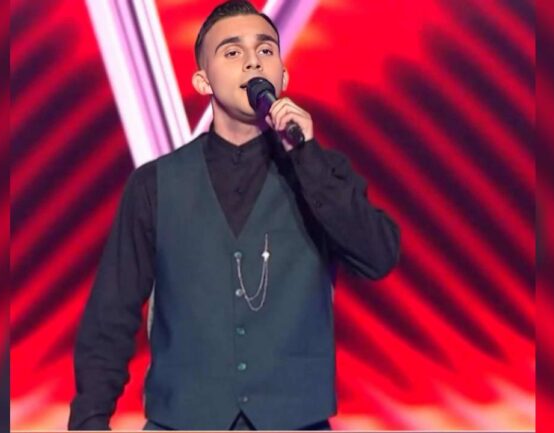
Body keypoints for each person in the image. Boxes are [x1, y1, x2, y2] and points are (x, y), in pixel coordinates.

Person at [68, 0, 400, 430]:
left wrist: (306, 157)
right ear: (203, 80)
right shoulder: (155, 184)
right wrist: (90, 421)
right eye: (232, 52)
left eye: (265, 50)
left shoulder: (322, 172)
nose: (252, 61)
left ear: (283, 75)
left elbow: (378, 256)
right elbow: (110, 316)